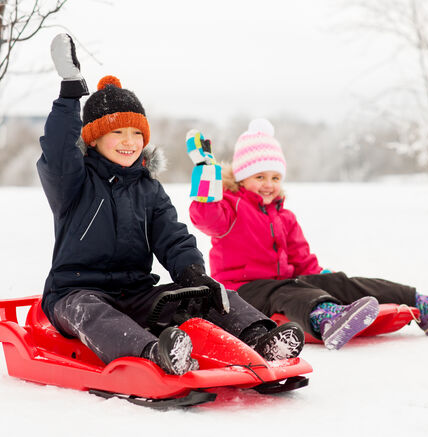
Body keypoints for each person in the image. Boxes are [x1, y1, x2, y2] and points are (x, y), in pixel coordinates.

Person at [37, 34, 305, 376]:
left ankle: (262, 337)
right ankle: (154, 353)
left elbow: (172, 237)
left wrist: (192, 272)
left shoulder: (149, 188)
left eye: (136, 134)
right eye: (118, 133)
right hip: (74, 294)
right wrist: (70, 91)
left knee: (207, 291)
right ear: (95, 137)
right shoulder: (73, 183)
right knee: (92, 310)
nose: (129, 142)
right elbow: (58, 151)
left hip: (136, 292)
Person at [186, 119, 428, 350]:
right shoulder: (230, 208)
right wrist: (206, 173)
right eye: (259, 177)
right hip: (244, 291)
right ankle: (324, 318)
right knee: (286, 291)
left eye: (275, 177)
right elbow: (204, 215)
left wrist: (325, 279)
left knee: (339, 281)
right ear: (242, 178)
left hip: (286, 283)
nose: (268, 185)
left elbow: (302, 259)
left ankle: (419, 303)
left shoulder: (284, 217)